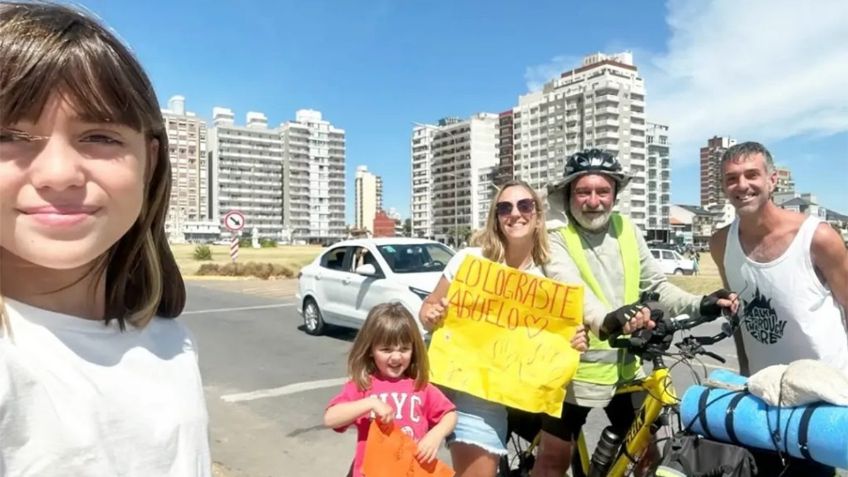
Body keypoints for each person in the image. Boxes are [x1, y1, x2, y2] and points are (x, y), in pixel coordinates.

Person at [0, 2, 210, 476]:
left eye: (99, 137)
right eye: (8, 135)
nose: (58, 174)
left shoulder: (171, 340)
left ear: (149, 162)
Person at [533, 148, 737, 476]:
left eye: (603, 191)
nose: (593, 200)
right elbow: (571, 290)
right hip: (572, 369)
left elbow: (657, 285)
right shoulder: (556, 236)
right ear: (569, 194)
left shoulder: (626, 229)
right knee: (553, 461)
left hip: (626, 366)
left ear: (615, 194)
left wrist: (700, 304)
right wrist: (608, 320)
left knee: (647, 456)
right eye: (583, 192)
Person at [418, 179, 604, 477]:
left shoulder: (551, 274)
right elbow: (427, 307)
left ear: (538, 215)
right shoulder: (470, 261)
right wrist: (432, 313)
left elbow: (566, 337)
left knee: (556, 462)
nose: (514, 213)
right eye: (505, 207)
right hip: (476, 394)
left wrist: (576, 341)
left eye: (524, 205)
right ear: (496, 217)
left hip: (529, 396)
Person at [710, 141, 848, 477]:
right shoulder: (719, 242)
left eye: (752, 174)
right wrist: (744, 377)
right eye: (731, 179)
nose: (742, 185)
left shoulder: (818, 237)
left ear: (773, 180)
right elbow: (738, 315)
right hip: (763, 393)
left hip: (822, 395)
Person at [325, 302, 458, 477]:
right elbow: (331, 419)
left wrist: (435, 435)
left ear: (414, 349)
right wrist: (370, 403)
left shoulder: (420, 387)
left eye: (404, 349)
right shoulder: (363, 385)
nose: (396, 357)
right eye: (386, 350)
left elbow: (450, 415)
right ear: (371, 349)